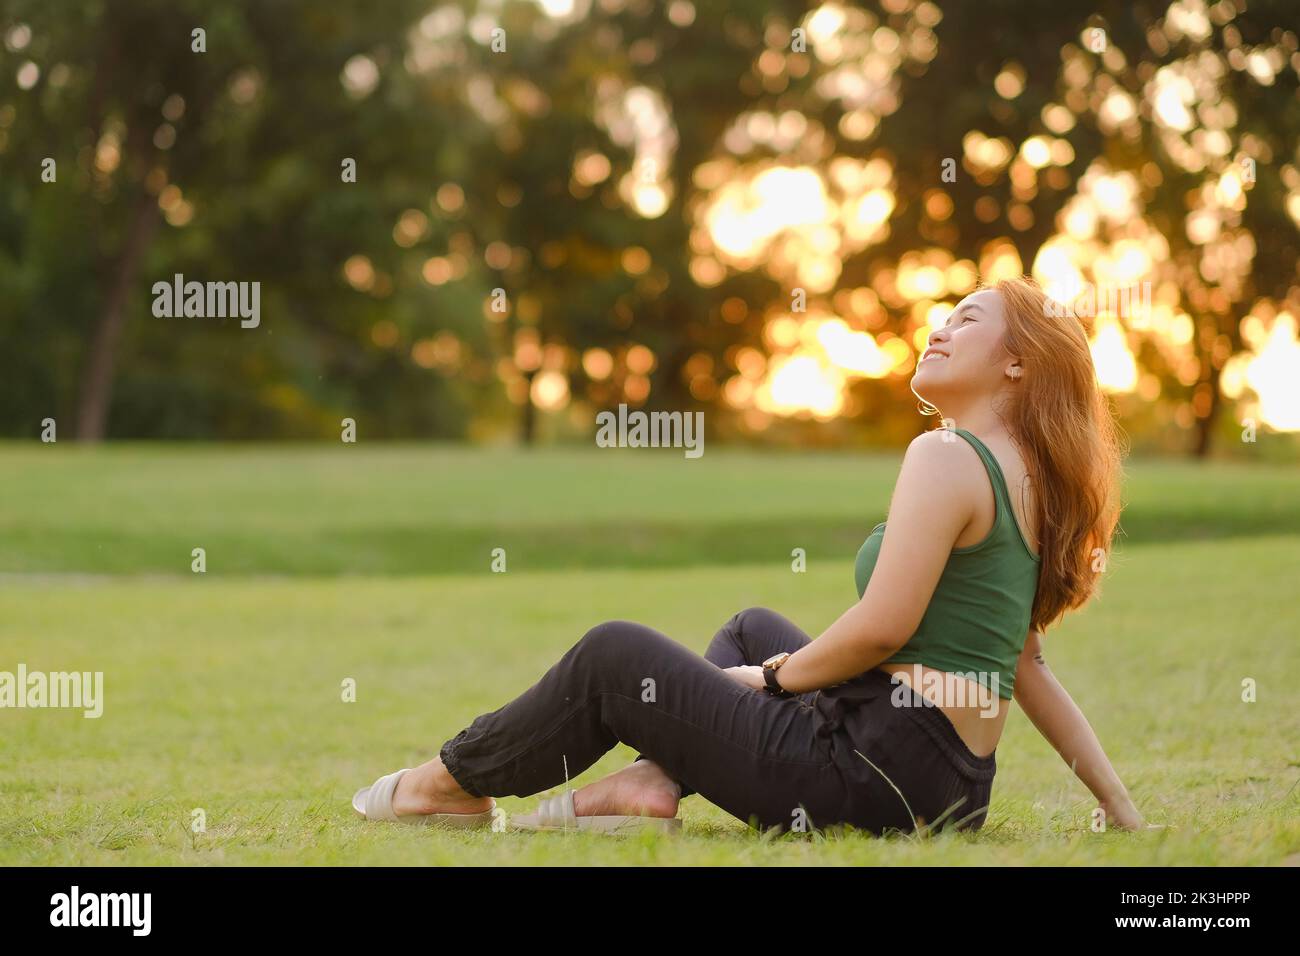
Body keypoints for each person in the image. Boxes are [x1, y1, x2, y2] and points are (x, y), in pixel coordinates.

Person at [353, 275, 1147, 835]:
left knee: (612, 655)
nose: (938, 328)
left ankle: (447, 784)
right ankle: (655, 780)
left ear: (1019, 363)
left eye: (967, 320)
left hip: (873, 768)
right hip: (950, 788)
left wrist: (771, 679)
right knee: (750, 625)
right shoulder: (1031, 485)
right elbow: (1027, 667)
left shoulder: (945, 458)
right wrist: (1121, 809)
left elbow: (880, 627)